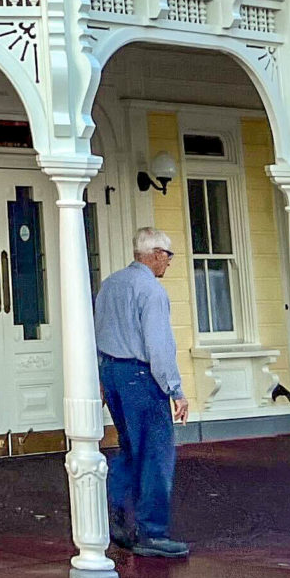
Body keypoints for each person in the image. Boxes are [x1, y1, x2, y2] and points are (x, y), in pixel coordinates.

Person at [95, 225, 193, 559]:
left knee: (129, 448)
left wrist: (101, 378)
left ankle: (117, 518)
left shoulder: (110, 285)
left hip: (112, 372)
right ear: (153, 254)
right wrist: (175, 390)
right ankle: (153, 533)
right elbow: (159, 345)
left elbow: (97, 332)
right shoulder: (150, 290)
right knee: (155, 454)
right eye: (168, 255)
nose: (169, 262)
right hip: (140, 375)